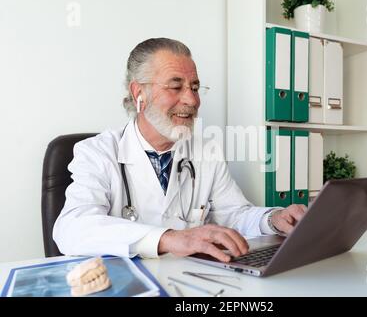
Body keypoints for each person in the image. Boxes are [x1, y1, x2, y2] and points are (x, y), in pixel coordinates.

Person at [53, 38, 307, 262]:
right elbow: (72, 229)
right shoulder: (97, 153)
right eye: (176, 87)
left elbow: (234, 215)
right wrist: (169, 239)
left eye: (195, 88)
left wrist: (273, 219)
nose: (192, 100)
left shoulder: (206, 151)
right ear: (138, 92)